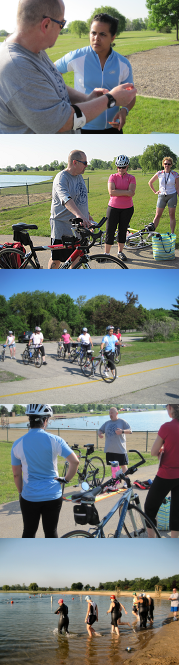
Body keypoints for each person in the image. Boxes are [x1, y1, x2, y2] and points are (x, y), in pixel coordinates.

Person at [0, 0, 136, 134]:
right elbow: (60, 122)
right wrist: (110, 99)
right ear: (46, 25)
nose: (96, 38)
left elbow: (51, 83)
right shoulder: (17, 67)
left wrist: (85, 99)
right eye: (62, 24)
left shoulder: (35, 51)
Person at [55, 12, 135, 134]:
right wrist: (66, 95)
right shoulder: (77, 56)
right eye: (93, 33)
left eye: (102, 34)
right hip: (82, 127)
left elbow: (131, 95)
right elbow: (51, 73)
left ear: (112, 37)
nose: (96, 38)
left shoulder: (123, 63)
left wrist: (124, 110)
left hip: (113, 128)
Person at [11, 404, 79, 538]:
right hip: (52, 495)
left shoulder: (18, 443)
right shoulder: (55, 440)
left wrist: (21, 492)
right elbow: (75, 461)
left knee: (29, 532)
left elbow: (16, 474)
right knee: (51, 532)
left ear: (29, 421)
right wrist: (66, 479)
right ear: (45, 421)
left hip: (29, 496)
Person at [48, 150, 94, 269]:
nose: (87, 165)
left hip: (77, 226)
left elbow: (80, 199)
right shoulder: (61, 178)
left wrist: (87, 216)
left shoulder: (79, 177)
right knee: (56, 259)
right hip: (62, 226)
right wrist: (80, 215)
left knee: (77, 257)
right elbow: (66, 199)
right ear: (75, 162)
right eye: (84, 163)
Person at [144, 404, 179, 538]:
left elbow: (153, 452)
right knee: (177, 511)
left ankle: (152, 540)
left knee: (150, 508)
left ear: (170, 408)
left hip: (166, 475)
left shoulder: (167, 427)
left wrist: (161, 451)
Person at [104, 155, 136, 261]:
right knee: (110, 230)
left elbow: (132, 193)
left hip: (127, 208)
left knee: (122, 230)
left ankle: (120, 252)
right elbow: (111, 192)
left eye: (123, 167)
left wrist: (118, 191)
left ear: (127, 167)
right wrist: (126, 192)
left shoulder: (131, 178)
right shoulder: (112, 177)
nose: (121, 169)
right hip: (113, 207)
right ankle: (107, 254)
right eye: (119, 167)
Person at [98, 405, 132, 483]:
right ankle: (116, 481)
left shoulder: (122, 421)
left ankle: (127, 482)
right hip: (109, 449)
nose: (110, 414)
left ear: (116, 413)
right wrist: (99, 433)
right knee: (113, 466)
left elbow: (130, 430)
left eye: (112, 413)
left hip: (120, 449)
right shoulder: (107, 423)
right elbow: (100, 430)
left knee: (123, 465)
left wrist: (122, 431)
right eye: (109, 413)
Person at [148, 157, 179, 233]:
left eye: (169, 164)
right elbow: (150, 182)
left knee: (172, 215)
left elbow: (178, 188)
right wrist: (155, 191)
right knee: (157, 215)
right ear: (163, 164)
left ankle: (172, 233)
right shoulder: (159, 173)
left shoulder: (175, 174)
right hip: (161, 196)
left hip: (172, 195)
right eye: (165, 164)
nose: (167, 165)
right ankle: (151, 233)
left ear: (171, 165)